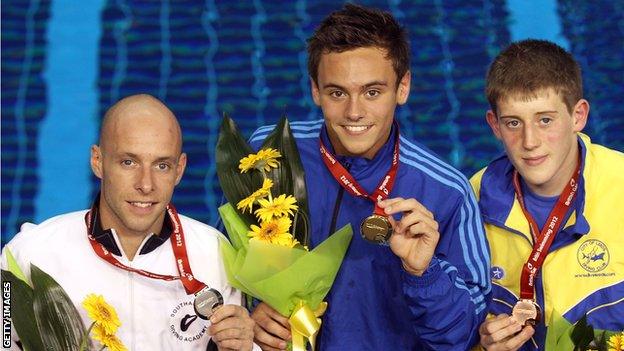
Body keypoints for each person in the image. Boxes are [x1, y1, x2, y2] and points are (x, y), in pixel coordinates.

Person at [246, 4, 491, 350]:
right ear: (315, 90)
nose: (354, 112)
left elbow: (462, 337)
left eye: (372, 92)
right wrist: (250, 311)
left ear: (402, 88)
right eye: (337, 93)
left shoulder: (447, 191)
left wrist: (424, 273)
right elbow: (225, 261)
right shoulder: (272, 153)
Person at [2, 94, 255, 351]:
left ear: (179, 169)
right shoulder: (32, 253)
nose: (145, 184)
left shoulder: (215, 253)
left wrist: (247, 347)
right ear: (97, 161)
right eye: (128, 162)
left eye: (162, 166)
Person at [471, 39, 624, 350]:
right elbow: (447, 323)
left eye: (545, 120)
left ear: (578, 116)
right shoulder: (470, 199)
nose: (530, 141)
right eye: (513, 123)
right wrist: (481, 342)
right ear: (494, 125)